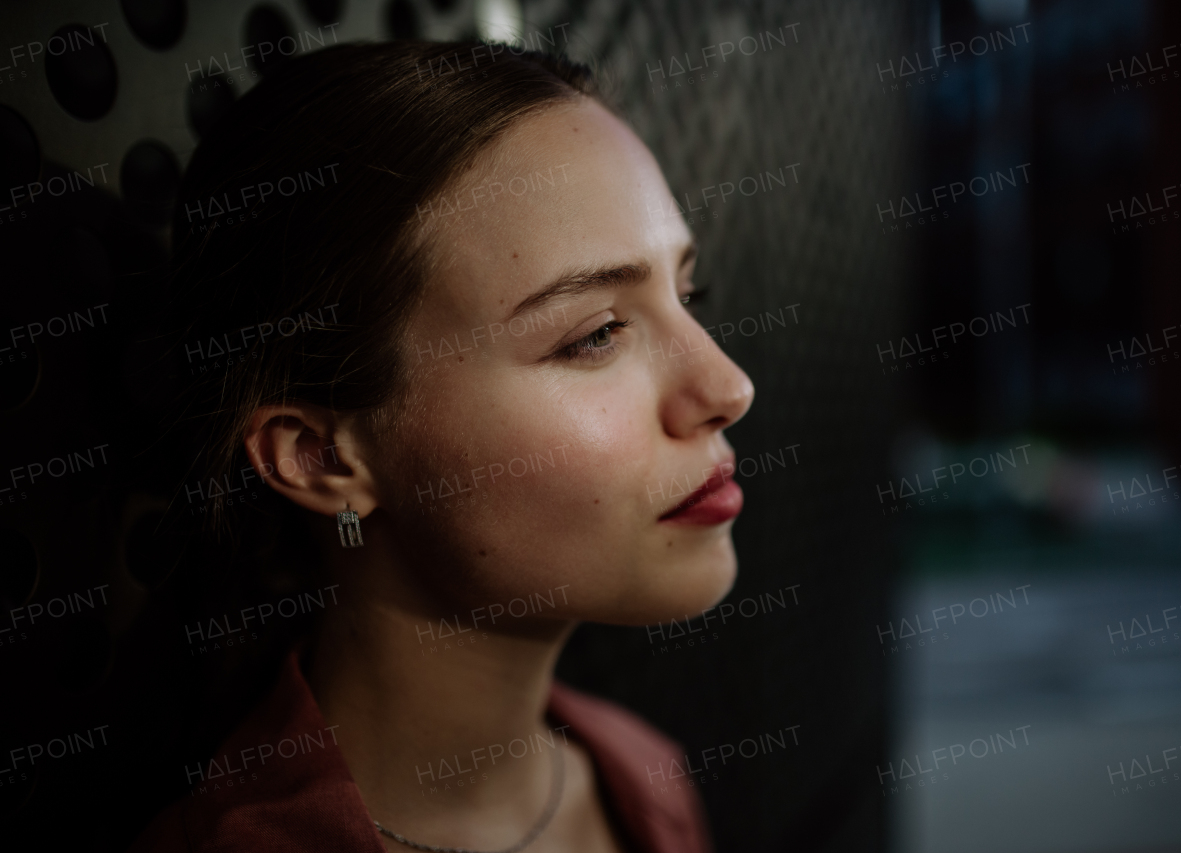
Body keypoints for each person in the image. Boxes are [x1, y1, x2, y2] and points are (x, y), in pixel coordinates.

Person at [132, 38, 753, 853]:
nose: (729, 386)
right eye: (596, 334)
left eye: (686, 292)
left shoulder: (644, 777)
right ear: (321, 457)